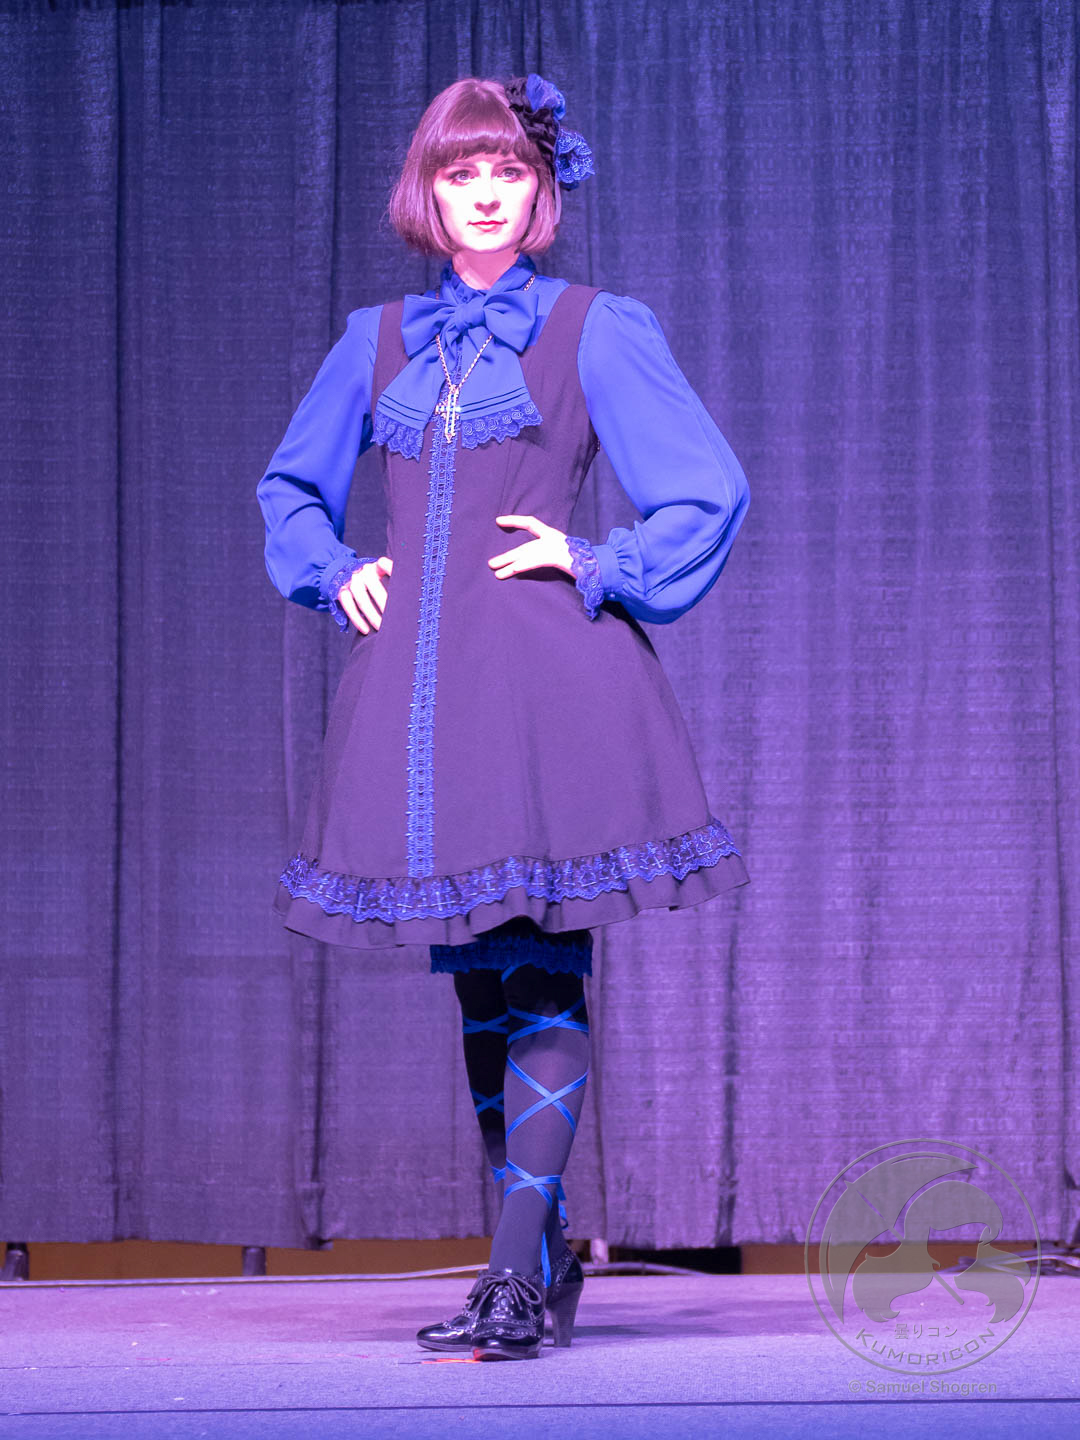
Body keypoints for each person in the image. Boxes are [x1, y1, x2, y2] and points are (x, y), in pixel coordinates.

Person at [256, 73, 750, 1360]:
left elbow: (705, 490)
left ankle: (514, 1277)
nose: (484, 194)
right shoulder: (376, 339)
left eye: (508, 173)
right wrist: (330, 569)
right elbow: (291, 489)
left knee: (540, 967)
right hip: (415, 705)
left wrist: (600, 559)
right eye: (461, 173)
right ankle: (537, 1258)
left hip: (544, 684)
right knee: (483, 974)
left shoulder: (593, 327)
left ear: (542, 193)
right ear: (427, 192)